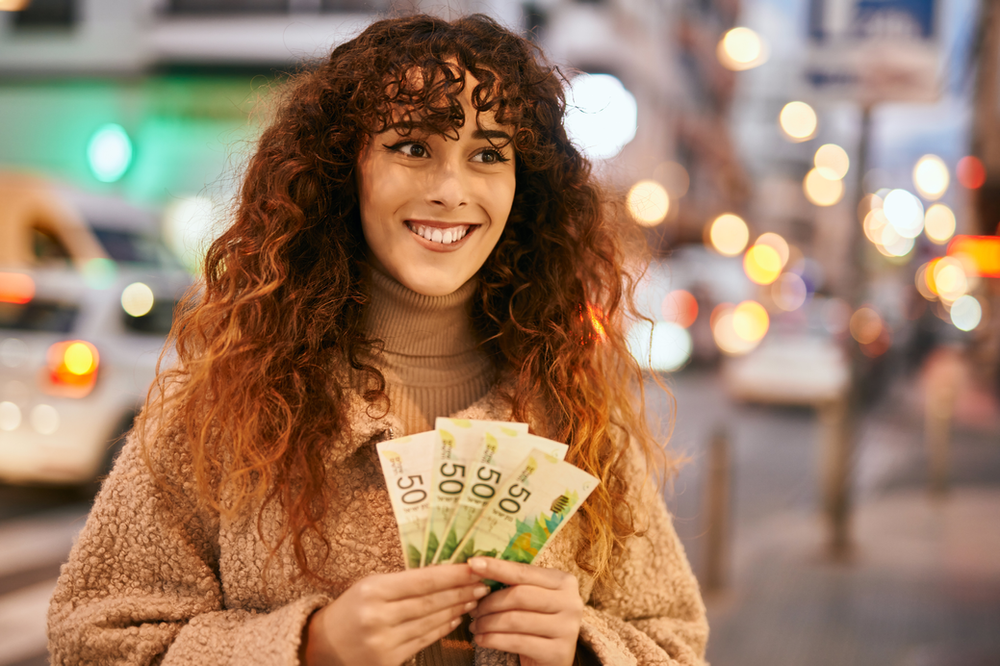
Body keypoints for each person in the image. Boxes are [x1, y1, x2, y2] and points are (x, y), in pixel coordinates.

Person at [47, 14, 708, 666]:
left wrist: (585, 649)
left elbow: (676, 643)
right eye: (412, 147)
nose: (451, 190)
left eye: (486, 155)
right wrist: (307, 647)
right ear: (346, 167)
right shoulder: (221, 408)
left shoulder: (576, 417)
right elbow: (93, 640)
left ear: (522, 186)